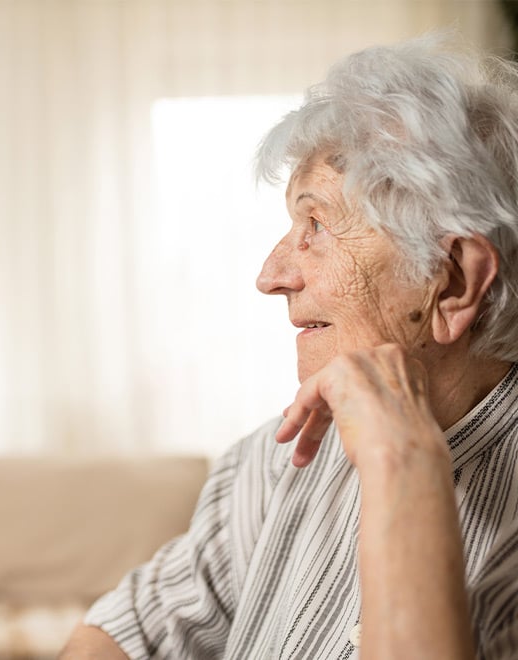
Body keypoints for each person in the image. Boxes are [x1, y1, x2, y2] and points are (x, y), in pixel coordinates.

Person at [61, 32, 518, 659]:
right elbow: (126, 634)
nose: (271, 275)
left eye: (317, 226)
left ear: (455, 282)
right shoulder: (275, 462)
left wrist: (403, 463)